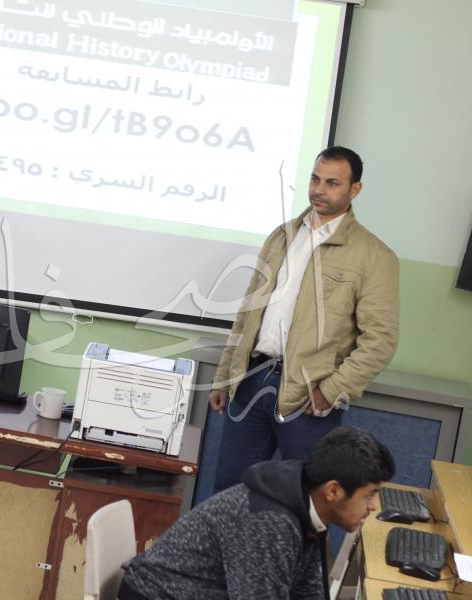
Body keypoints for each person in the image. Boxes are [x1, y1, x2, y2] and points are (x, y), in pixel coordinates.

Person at [208, 146, 399, 492]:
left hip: (310, 397)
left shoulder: (374, 255)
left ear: (354, 190)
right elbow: (248, 313)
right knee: (230, 493)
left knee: (308, 501)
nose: (319, 190)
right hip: (252, 379)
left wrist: (332, 390)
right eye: (315, 179)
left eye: (332, 183)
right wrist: (224, 377)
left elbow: (380, 341)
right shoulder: (281, 237)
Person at [119, 426, 395, 600]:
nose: (373, 506)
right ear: (332, 490)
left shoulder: (305, 505)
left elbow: (307, 592)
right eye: (368, 495)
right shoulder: (270, 522)